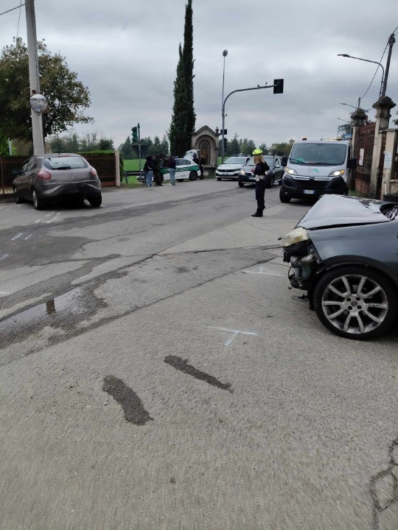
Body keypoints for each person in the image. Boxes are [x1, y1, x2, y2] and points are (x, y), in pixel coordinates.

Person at [251, 148, 270, 217]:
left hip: (260, 181)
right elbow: (267, 168)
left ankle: (259, 210)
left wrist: (254, 171)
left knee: (259, 196)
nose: (254, 157)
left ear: (257, 156)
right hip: (260, 181)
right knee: (260, 196)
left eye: (254, 156)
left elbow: (259, 171)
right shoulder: (263, 163)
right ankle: (260, 209)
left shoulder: (260, 164)